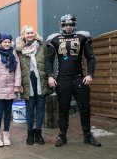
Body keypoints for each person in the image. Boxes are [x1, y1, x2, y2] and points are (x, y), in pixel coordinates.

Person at [45, 14, 101, 147]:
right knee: (63, 109)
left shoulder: (82, 37)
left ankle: (87, 136)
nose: (68, 27)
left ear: (74, 25)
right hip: (62, 79)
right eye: (65, 24)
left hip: (79, 78)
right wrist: (50, 76)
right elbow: (49, 60)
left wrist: (90, 74)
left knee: (85, 108)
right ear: (61, 25)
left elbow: (91, 57)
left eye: (70, 24)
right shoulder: (54, 39)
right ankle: (62, 135)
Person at [16, 25, 49, 145]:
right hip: (27, 81)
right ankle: (30, 133)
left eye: (31, 33)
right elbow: (17, 68)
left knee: (40, 107)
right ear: (23, 35)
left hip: (41, 79)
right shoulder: (19, 50)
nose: (29, 35)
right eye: (27, 33)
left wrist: (50, 77)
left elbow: (47, 62)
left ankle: (39, 133)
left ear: (34, 34)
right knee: (29, 108)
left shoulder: (41, 46)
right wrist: (18, 83)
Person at [0, 32, 21, 147]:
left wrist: (17, 85)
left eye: (8, 42)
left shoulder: (14, 53)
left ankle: (6, 135)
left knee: (8, 113)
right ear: (1, 43)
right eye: (5, 42)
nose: (7, 44)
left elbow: (18, 70)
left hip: (11, 87)